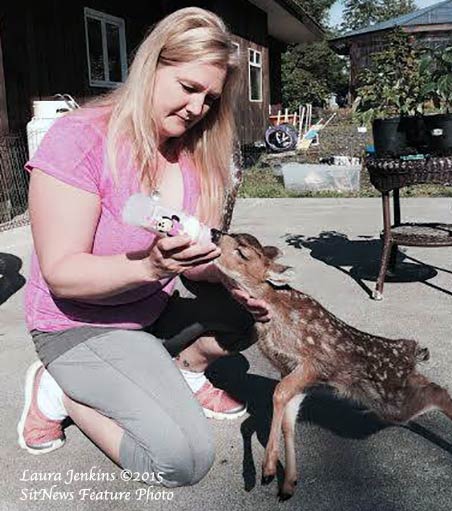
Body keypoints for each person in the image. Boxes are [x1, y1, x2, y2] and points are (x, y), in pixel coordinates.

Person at [17, 7, 270, 487]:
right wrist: (152, 266)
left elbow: (193, 258)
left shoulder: (196, 154)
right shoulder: (81, 138)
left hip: (147, 312)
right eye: (188, 88)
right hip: (77, 325)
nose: (198, 108)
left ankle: (184, 375)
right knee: (182, 461)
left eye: (210, 98)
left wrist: (230, 278)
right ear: (151, 66)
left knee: (254, 312)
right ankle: (58, 391)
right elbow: (62, 272)